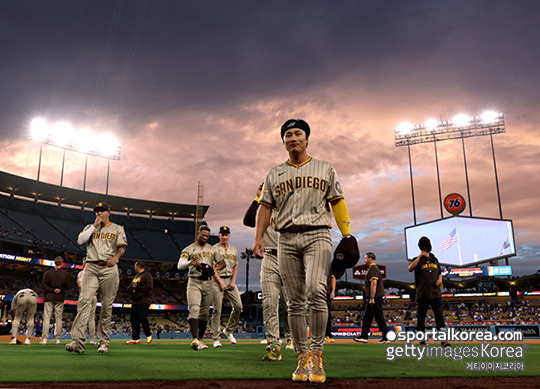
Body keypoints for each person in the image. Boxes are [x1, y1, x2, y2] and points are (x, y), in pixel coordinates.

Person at [253, 119, 352, 383]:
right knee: (294, 302)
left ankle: (317, 355)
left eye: (298, 133)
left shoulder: (325, 168)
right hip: (285, 238)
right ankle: (302, 356)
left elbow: (337, 201)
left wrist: (347, 234)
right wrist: (259, 238)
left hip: (317, 234)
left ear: (307, 139)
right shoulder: (274, 173)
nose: (293, 137)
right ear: (283, 141)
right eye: (288, 134)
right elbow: (264, 207)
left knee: (317, 291)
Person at [66, 202, 127, 354]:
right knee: (84, 301)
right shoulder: (89, 227)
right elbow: (80, 241)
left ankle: (104, 342)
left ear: (109, 212)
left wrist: (116, 257)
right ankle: (78, 341)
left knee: (106, 305)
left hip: (109, 267)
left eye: (102, 211)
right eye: (97, 211)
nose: (99, 213)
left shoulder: (117, 228)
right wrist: (94, 225)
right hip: (91, 267)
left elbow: (122, 247)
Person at [243, 185, 294, 361]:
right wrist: (258, 198)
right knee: (269, 303)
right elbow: (248, 221)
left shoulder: (290, 206)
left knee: (292, 305)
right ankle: (274, 346)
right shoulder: (263, 209)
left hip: (289, 257)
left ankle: (294, 339)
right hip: (270, 257)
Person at [177, 225, 224, 351]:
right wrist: (190, 262)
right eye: (203, 235)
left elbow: (222, 263)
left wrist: (214, 270)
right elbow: (180, 265)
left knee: (204, 314)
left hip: (208, 283)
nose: (205, 238)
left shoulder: (212, 249)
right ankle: (194, 339)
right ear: (198, 234)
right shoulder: (189, 249)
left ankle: (201, 340)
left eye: (207, 236)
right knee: (194, 309)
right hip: (194, 282)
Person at [408, 236, 450, 347]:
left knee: (439, 318)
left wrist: (440, 278)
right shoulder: (417, 259)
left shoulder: (434, 259)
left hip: (435, 293)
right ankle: (422, 341)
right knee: (421, 319)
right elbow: (410, 268)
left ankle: (443, 341)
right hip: (422, 294)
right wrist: (419, 256)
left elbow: (440, 272)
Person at [211, 226, 243, 348]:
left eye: (226, 234)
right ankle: (216, 339)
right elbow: (212, 269)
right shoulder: (213, 249)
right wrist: (220, 283)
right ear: (219, 235)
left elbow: (235, 266)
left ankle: (228, 330)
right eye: (222, 234)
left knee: (239, 306)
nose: (224, 237)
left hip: (230, 279)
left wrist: (233, 281)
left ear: (229, 236)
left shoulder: (233, 249)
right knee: (217, 309)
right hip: (217, 280)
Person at [353, 252, 389, 343]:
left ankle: (386, 337)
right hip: (374, 297)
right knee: (367, 318)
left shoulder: (373, 268)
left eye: (365, 258)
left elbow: (374, 283)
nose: (365, 260)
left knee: (379, 317)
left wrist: (372, 297)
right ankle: (364, 336)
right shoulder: (372, 268)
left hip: (375, 297)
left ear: (370, 258)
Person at [40, 256, 70, 345]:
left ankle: (44, 339)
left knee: (47, 317)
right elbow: (68, 286)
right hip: (59, 297)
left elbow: (42, 286)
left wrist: (52, 290)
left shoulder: (48, 273)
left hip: (49, 296)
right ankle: (58, 339)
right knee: (59, 318)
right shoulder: (65, 274)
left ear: (54, 262)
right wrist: (59, 289)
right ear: (61, 263)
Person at [126, 261, 154, 345]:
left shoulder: (147, 275)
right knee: (134, 319)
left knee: (142, 317)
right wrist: (132, 289)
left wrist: (137, 287)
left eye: (135, 266)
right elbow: (129, 287)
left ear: (138, 266)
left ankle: (148, 335)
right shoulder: (136, 276)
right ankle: (135, 338)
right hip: (135, 301)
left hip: (144, 300)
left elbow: (149, 287)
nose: (134, 268)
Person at [77, 259, 97, 345]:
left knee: (82, 317)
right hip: (94, 296)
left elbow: (79, 285)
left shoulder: (82, 273)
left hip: (85, 295)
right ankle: (92, 339)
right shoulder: (95, 273)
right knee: (91, 318)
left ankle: (81, 338)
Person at [324, 274, 336, 343]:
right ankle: (320, 336)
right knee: (318, 315)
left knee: (327, 314)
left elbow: (333, 278)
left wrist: (333, 291)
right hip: (318, 293)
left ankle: (328, 335)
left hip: (327, 293)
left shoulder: (329, 266)